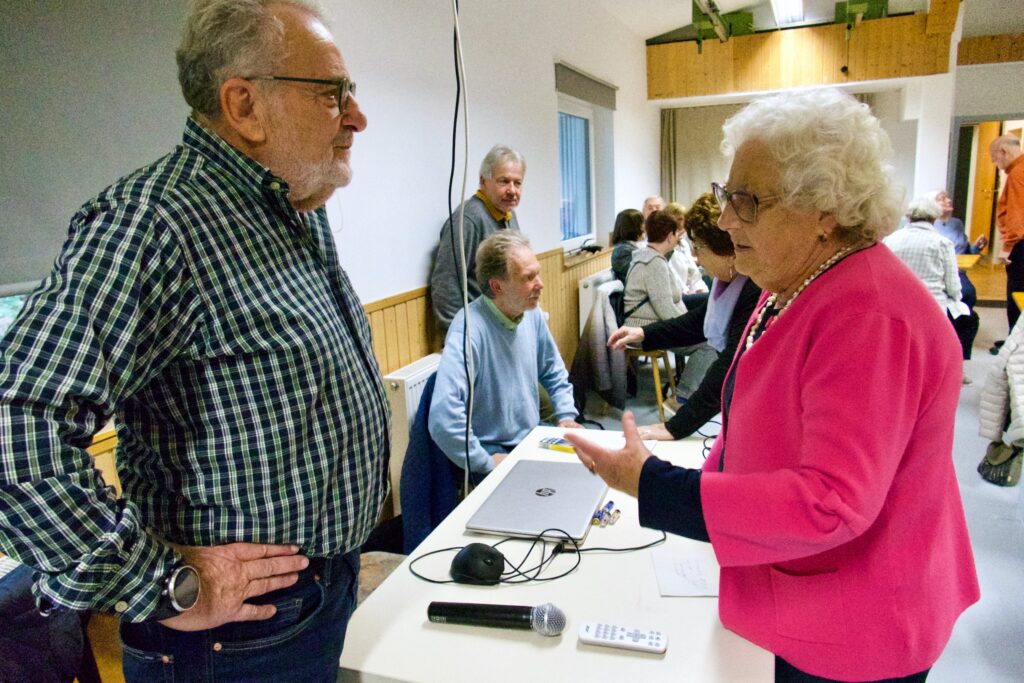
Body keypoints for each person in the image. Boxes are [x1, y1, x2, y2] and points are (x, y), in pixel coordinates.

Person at [0, 1, 387, 680]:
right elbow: (15, 425)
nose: (355, 116)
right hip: (234, 640)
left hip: (312, 602)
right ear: (244, 105)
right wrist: (164, 582)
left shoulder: (288, 210)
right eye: (332, 93)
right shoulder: (155, 222)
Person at [567, 88, 979, 683]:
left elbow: (831, 501)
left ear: (825, 209)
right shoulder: (794, 278)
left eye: (748, 201)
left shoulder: (867, 314)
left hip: (856, 619)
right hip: (804, 588)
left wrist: (657, 486)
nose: (728, 220)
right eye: (725, 196)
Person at [607, 192, 760, 440]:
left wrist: (675, 426)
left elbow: (727, 367)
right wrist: (645, 333)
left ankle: (679, 399)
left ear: (729, 251)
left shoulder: (754, 289)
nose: (696, 257)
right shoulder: (732, 282)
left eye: (699, 247)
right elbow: (699, 320)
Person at [428, 232, 580, 478]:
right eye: (529, 278)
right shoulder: (469, 330)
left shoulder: (531, 313)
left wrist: (566, 415)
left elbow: (554, 372)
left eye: (537, 273)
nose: (540, 284)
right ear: (497, 286)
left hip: (531, 438)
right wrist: (483, 460)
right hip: (494, 451)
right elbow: (442, 418)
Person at [430, 144, 525, 332]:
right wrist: (458, 337)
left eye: (518, 183)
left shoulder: (508, 214)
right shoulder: (467, 220)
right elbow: (446, 284)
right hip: (480, 333)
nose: (512, 190)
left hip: (506, 327)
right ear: (483, 181)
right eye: (504, 181)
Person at [884, 196, 979, 371]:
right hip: (932, 307)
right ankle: (956, 366)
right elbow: (953, 286)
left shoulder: (890, 240)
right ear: (933, 218)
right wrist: (957, 299)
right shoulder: (942, 243)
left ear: (909, 217)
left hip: (896, 306)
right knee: (970, 319)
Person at [622, 211, 685, 326]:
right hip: (648, 328)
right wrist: (690, 327)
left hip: (652, 326)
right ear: (670, 237)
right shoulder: (654, 263)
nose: (678, 239)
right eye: (677, 234)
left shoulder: (648, 255)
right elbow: (666, 311)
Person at [991, 134, 1024, 339]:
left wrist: (1008, 246)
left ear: (1003, 151)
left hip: (1021, 245)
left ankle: (1014, 346)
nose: (996, 164)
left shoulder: (1018, 174)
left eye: (994, 159)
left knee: (1016, 295)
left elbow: (1017, 212)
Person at [662, 201, 710, 297]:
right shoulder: (663, 245)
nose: (678, 223)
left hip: (690, 293)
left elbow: (694, 274)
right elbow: (669, 275)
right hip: (676, 296)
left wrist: (700, 289)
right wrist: (686, 291)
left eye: (680, 219)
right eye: (673, 219)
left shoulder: (684, 244)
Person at [610, 208, 644, 284]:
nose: (645, 227)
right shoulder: (622, 251)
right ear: (633, 227)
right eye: (642, 224)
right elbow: (640, 273)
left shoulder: (634, 245)